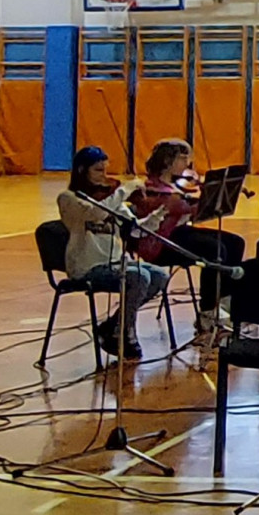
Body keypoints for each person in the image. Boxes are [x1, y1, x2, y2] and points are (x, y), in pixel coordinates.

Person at [58, 147, 171, 360]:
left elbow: (135, 230)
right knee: (139, 277)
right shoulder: (68, 199)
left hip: (116, 263)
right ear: (81, 170)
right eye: (98, 170)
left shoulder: (110, 199)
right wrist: (124, 190)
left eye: (105, 170)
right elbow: (97, 213)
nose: (104, 175)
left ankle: (113, 325)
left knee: (159, 276)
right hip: (87, 267)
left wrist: (159, 215)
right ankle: (125, 332)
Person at [129, 139, 246, 340]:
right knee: (214, 250)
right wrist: (215, 196)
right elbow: (185, 208)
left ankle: (224, 301)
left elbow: (189, 210)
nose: (188, 163)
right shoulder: (152, 189)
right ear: (168, 161)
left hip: (178, 232)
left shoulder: (174, 186)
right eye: (183, 158)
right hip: (158, 243)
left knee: (235, 242)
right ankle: (207, 312)